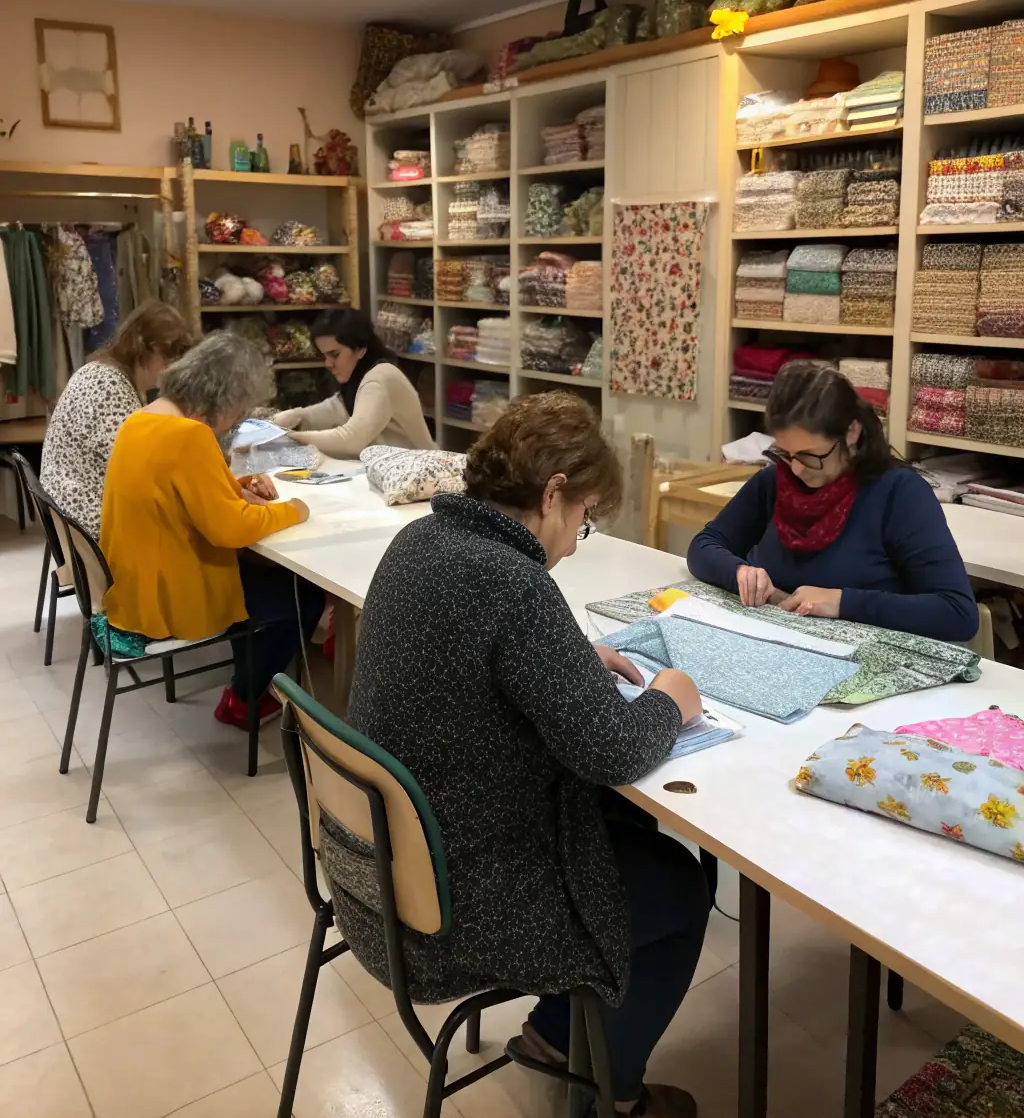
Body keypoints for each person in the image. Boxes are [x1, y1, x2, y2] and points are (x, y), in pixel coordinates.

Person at [335, 391, 707, 1118]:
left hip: (372, 876)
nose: (573, 542)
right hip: (450, 912)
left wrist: (565, 656)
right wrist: (673, 696)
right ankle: (615, 1095)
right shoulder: (513, 581)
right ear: (553, 493)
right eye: (584, 520)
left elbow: (473, 658)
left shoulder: (421, 541)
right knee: (681, 889)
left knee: (622, 834)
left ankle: (554, 1033)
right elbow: (615, 746)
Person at [100, 332, 324, 729]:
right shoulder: (190, 436)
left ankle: (247, 687)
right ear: (221, 397)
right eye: (238, 411)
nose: (235, 421)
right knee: (301, 596)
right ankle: (244, 699)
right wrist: (293, 510)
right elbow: (230, 530)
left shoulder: (142, 419)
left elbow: (176, 492)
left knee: (271, 582)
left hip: (135, 588)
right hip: (172, 598)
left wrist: (237, 486)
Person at [688, 362, 978, 641]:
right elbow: (704, 545)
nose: (797, 469)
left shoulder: (899, 493)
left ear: (851, 432)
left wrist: (841, 602)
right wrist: (740, 572)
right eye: (786, 453)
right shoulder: (777, 480)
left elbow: (957, 612)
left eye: (810, 456)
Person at [40, 300, 193, 537]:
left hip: (69, 512)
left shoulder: (100, 372)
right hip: (90, 523)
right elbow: (138, 469)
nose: (168, 370)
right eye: (167, 360)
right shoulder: (108, 385)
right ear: (147, 348)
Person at [273, 308, 433, 457]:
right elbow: (333, 409)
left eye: (334, 355)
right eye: (324, 356)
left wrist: (291, 437)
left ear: (360, 349)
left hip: (422, 475)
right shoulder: (357, 378)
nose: (328, 364)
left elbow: (351, 440)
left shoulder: (381, 377)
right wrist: (289, 418)